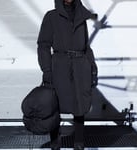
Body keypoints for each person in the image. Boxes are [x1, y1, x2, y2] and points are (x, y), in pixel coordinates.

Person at [37, 0, 98, 149]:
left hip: (80, 65)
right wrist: (47, 70)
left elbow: (86, 47)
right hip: (60, 65)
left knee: (80, 103)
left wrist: (93, 68)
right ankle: (55, 142)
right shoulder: (51, 17)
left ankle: (79, 142)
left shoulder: (81, 17)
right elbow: (43, 45)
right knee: (54, 103)